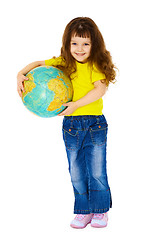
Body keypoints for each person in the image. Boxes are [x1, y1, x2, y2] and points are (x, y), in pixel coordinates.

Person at [17, 17, 117, 229]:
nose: (79, 48)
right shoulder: (64, 63)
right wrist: (20, 74)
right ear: (67, 44)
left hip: (94, 125)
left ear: (94, 45)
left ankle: (100, 211)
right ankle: (83, 211)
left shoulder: (95, 65)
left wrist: (76, 105)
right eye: (74, 43)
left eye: (85, 43)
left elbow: (100, 89)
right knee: (76, 170)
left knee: (96, 170)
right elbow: (37, 64)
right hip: (71, 126)